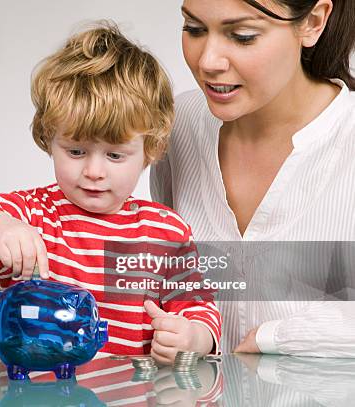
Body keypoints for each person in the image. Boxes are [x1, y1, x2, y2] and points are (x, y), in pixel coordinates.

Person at [0, 23, 222, 363]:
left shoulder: (166, 233)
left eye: (115, 155)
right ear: (48, 138)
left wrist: (194, 337)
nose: (94, 172)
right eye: (75, 151)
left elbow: (200, 309)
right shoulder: (29, 216)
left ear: (151, 149)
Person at [150, 0, 355, 357]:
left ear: (313, 21)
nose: (208, 61)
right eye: (194, 29)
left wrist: (278, 337)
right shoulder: (177, 125)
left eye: (242, 36)